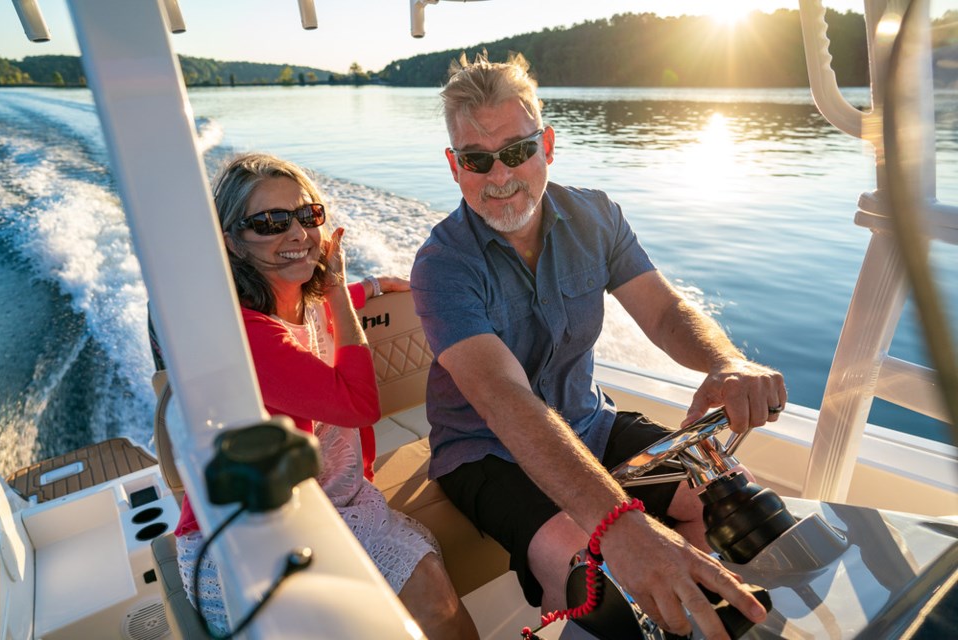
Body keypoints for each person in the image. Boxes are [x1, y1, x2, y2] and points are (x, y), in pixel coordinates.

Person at [410, 53, 786, 639]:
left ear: (548, 145)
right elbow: (505, 400)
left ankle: (700, 621)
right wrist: (618, 524)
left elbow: (664, 313)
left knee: (716, 497)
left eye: (516, 151)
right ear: (455, 167)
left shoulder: (597, 216)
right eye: (477, 160)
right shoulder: (442, 265)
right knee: (589, 576)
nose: (500, 176)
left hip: (592, 422)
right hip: (486, 450)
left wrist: (727, 362)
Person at [173, 152, 477, 639]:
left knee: (428, 589)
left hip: (336, 503)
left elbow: (311, 310)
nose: (296, 234)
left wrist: (368, 287)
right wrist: (336, 290)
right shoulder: (245, 335)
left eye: (307, 215)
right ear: (230, 241)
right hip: (254, 534)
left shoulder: (299, 298)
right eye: (270, 222)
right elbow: (359, 405)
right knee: (429, 599)